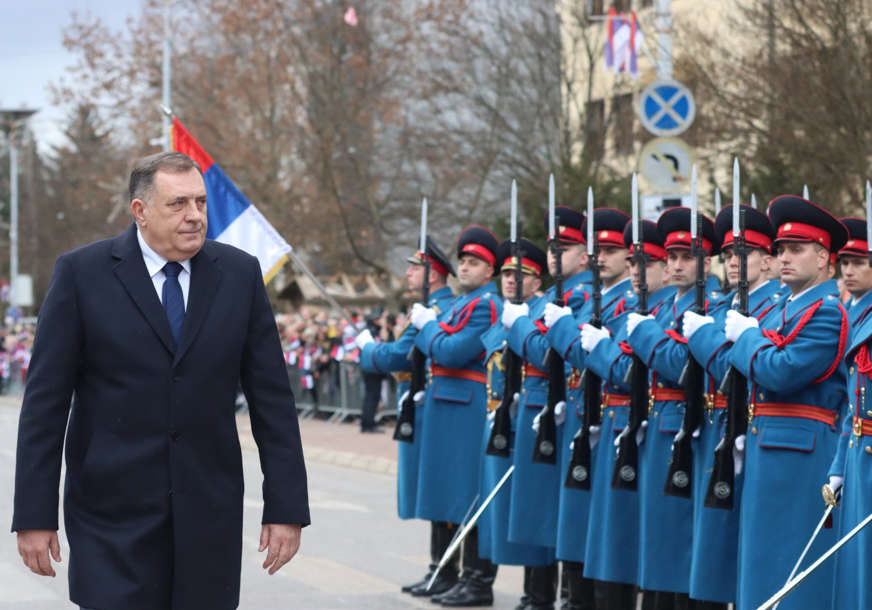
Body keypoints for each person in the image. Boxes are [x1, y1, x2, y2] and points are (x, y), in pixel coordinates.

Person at [11, 151, 310, 610]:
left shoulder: (239, 275)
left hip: (208, 514)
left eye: (201, 203)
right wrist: (34, 515)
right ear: (140, 211)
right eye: (178, 204)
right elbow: (45, 406)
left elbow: (272, 400)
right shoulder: (82, 275)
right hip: (110, 519)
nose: (195, 216)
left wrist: (286, 507)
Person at [726, 195, 848, 609]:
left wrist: (744, 337)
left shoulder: (827, 312)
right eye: (780, 250)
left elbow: (782, 370)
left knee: (791, 569)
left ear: (823, 258)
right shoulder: (785, 308)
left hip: (800, 451)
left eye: (797, 250)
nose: (784, 258)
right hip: (768, 443)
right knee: (761, 568)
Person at [682, 204, 780, 608]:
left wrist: (702, 339)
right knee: (714, 549)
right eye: (727, 256)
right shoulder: (723, 306)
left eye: (744, 253)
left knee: (746, 550)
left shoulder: (774, 307)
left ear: (766, 259)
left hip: (750, 428)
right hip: (720, 428)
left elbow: (735, 365)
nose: (733, 263)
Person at [625, 206, 723, 608]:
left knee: (684, 542)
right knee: (659, 541)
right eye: (673, 258)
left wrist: (646, 336)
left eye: (689, 257)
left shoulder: (714, 305)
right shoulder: (665, 307)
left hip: (689, 426)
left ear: (706, 261)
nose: (679, 265)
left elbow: (686, 369)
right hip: (659, 424)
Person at [501, 206, 593, 609]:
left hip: (573, 409)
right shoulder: (560, 296)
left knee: (569, 511)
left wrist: (520, 325)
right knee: (542, 508)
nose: (555, 254)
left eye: (565, 247)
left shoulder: (585, 296)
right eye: (552, 247)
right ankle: (540, 594)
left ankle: (569, 598)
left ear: (584, 254)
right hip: (546, 408)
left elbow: (548, 353)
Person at [580, 219, 675, 610]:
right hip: (626, 425)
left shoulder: (666, 314)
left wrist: (600, 349)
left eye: (646, 263)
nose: (636, 271)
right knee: (615, 535)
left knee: (652, 542)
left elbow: (628, 373)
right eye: (633, 263)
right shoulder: (635, 310)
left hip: (655, 427)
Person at [544, 207, 635, 610]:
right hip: (587, 413)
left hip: (611, 415)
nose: (602, 257)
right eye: (598, 249)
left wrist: (562, 329)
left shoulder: (625, 301)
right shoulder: (593, 298)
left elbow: (587, 353)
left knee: (605, 523)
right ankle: (576, 598)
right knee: (583, 516)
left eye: (613, 251)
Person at [355, 237, 456, 595]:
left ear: (434, 276)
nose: (408, 273)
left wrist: (367, 347)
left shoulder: (433, 309)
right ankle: (438, 568)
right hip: (426, 404)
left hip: (435, 407)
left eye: (415, 268)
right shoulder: (430, 307)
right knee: (435, 492)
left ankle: (444, 571)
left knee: (440, 492)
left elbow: (398, 355)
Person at [410, 226, 502, 607]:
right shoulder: (459, 305)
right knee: (447, 492)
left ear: (490, 271)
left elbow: (451, 351)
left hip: (468, 405)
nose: (464, 268)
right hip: (447, 403)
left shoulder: (485, 305)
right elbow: (439, 346)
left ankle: (476, 579)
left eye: (474, 262)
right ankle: (445, 571)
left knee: (470, 494)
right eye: (462, 261)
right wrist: (435, 333)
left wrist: (428, 327)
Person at [478, 237, 554, 609]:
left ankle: (540, 594)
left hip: (534, 418)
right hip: (505, 419)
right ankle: (529, 592)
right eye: (507, 273)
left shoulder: (541, 311)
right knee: (514, 509)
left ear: (537, 280)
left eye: (520, 274)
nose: (511, 280)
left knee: (534, 508)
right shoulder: (507, 313)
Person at [829, 218, 872, 609]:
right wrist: (839, 466)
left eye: (860, 262)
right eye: (845, 262)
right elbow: (853, 404)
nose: (849, 271)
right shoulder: (858, 315)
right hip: (860, 457)